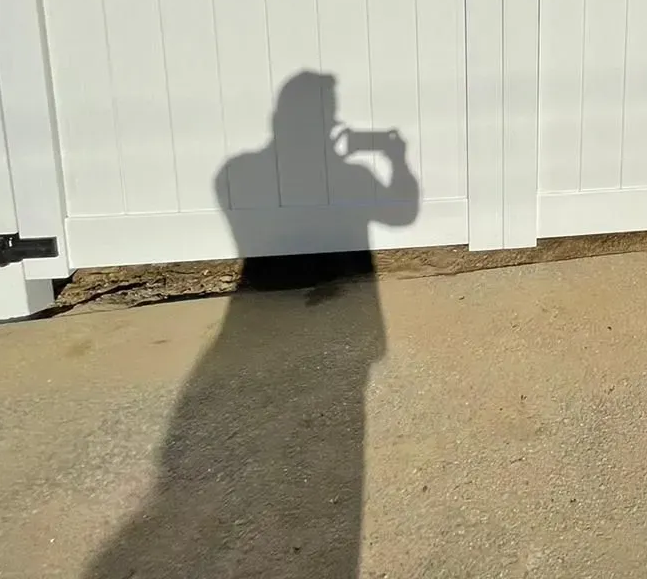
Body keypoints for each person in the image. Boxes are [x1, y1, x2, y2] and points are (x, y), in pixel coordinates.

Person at [87, 71, 419, 578]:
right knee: (334, 435)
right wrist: (393, 157)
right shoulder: (338, 172)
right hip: (327, 310)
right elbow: (403, 211)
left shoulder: (238, 171)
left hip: (267, 301)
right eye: (327, 111)